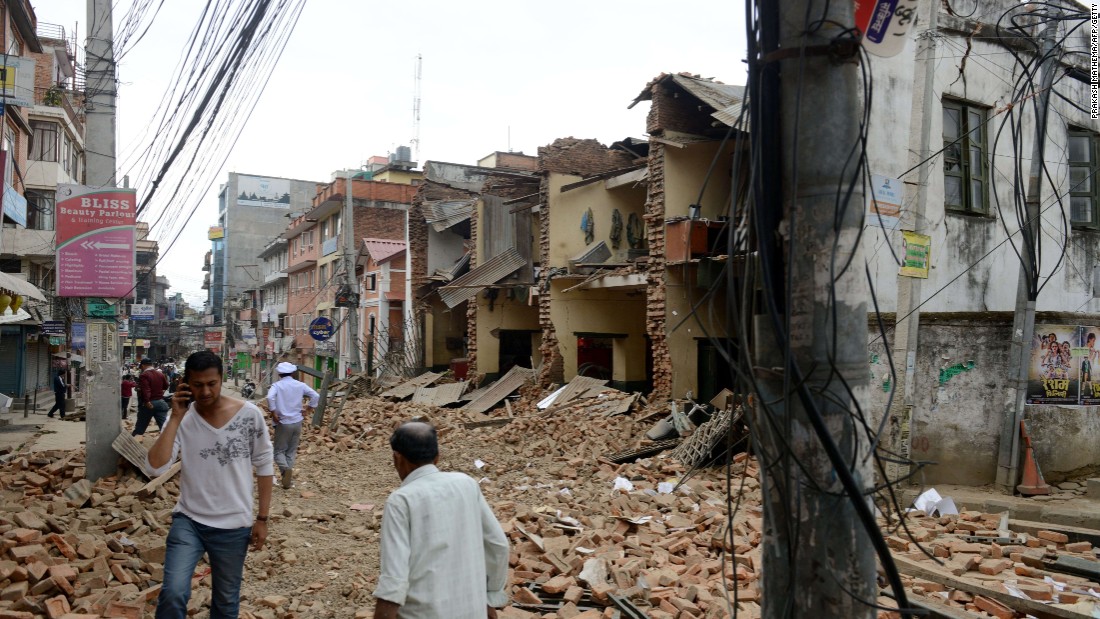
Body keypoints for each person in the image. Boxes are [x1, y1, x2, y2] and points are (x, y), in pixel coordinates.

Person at [146, 351, 274, 619]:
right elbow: (155, 466)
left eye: (211, 383)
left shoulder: (249, 415)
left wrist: (262, 518)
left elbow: (264, 464)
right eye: (197, 384)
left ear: (221, 380)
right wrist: (177, 418)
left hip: (234, 526)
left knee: (226, 603)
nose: (205, 391)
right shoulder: (181, 419)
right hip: (189, 520)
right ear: (185, 384)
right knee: (173, 592)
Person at [373, 421, 509, 619]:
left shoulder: (401, 500)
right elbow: (498, 545)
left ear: (397, 458)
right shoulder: (466, 484)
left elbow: (394, 577)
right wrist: (491, 597)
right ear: (437, 457)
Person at [265, 361, 319, 490]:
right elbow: (316, 395)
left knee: (278, 451)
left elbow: (270, 397)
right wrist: (309, 409)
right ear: (293, 373)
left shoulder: (277, 386)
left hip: (283, 422)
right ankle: (287, 480)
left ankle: (285, 470)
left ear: (279, 374)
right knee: (291, 451)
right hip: (297, 421)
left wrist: (274, 412)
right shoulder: (300, 385)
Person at [135, 358, 170, 436]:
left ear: (143, 366)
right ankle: (172, 444)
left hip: (149, 404)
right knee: (165, 429)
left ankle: (131, 444)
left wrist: (147, 401)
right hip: (161, 402)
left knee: (139, 429)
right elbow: (166, 385)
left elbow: (146, 389)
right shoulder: (160, 374)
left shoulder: (144, 375)